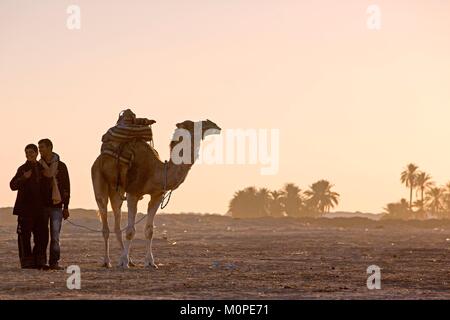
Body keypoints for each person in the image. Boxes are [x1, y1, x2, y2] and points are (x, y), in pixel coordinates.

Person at [10, 144, 48, 269]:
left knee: (41, 236)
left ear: (37, 153)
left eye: (31, 152)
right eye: (27, 153)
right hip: (25, 210)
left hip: (40, 209)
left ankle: (40, 261)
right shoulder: (22, 169)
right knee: (24, 236)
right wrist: (23, 178)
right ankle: (27, 262)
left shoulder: (42, 168)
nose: (29, 155)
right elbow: (12, 185)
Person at [38, 138, 71, 270]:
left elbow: (66, 186)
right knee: (42, 235)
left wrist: (66, 206)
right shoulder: (38, 166)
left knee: (55, 236)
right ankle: (41, 262)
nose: (40, 150)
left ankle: (54, 262)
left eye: (42, 147)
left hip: (57, 206)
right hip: (42, 206)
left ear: (50, 147)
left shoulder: (61, 166)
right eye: (39, 148)